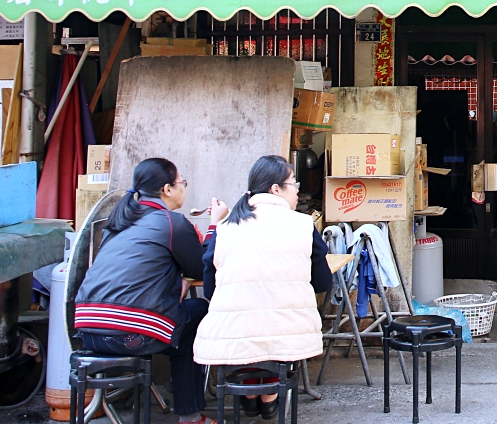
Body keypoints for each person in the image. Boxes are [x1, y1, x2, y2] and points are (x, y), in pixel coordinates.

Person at [74, 158, 227, 424]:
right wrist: (215, 224)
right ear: (167, 189)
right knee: (200, 311)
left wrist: (171, 281)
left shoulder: (118, 223)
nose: (184, 188)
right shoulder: (172, 223)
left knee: (184, 318)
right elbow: (201, 267)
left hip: (87, 332)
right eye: (182, 183)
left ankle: (176, 384)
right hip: (130, 335)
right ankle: (189, 415)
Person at [193, 155, 332, 420]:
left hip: (231, 335)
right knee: (277, 326)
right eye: (294, 184)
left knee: (251, 328)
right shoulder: (302, 225)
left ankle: (250, 392)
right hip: (288, 334)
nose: (298, 191)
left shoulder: (225, 227)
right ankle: (269, 397)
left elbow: (210, 289)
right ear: (275, 189)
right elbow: (324, 283)